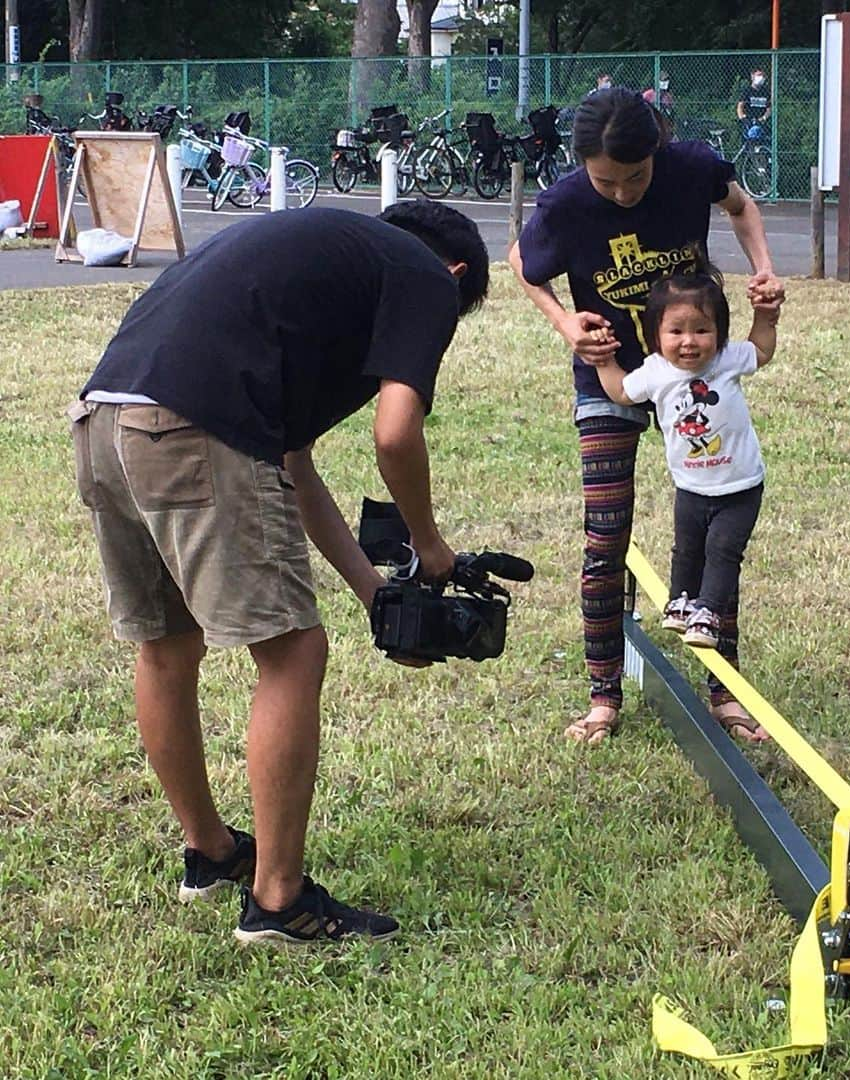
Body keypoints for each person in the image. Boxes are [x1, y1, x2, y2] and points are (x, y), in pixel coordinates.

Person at [67, 202, 489, 945]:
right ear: (455, 275)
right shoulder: (424, 274)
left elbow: (292, 466)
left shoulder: (321, 269)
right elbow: (396, 436)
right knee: (293, 653)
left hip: (104, 420)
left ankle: (212, 851)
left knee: (167, 645)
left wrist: (377, 594)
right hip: (195, 427)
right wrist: (431, 548)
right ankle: (279, 900)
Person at [508, 87, 783, 746]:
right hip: (610, 373)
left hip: (692, 365)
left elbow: (742, 208)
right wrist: (565, 322)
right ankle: (604, 694)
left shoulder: (692, 167)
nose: (624, 192)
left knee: (719, 527)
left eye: (636, 177)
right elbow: (522, 263)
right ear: (583, 168)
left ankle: (728, 693)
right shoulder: (566, 203)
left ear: (658, 152)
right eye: (608, 181)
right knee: (606, 537)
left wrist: (765, 271)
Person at [590, 257, 777, 742]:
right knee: (686, 549)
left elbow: (762, 351)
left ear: (718, 333)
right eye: (676, 331)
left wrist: (767, 317)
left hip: (740, 487)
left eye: (701, 330)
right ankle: (681, 603)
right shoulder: (654, 371)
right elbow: (621, 393)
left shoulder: (727, 360)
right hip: (691, 487)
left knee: (722, 552)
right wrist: (606, 360)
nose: (689, 342)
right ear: (656, 335)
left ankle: (708, 612)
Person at [736, 67, 771, 141]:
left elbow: (769, 109)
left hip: (761, 122)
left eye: (763, 76)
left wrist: (764, 118)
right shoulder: (746, 91)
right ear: (752, 76)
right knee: (749, 141)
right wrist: (743, 118)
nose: (761, 78)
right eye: (759, 75)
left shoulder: (766, 92)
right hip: (749, 121)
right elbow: (740, 106)